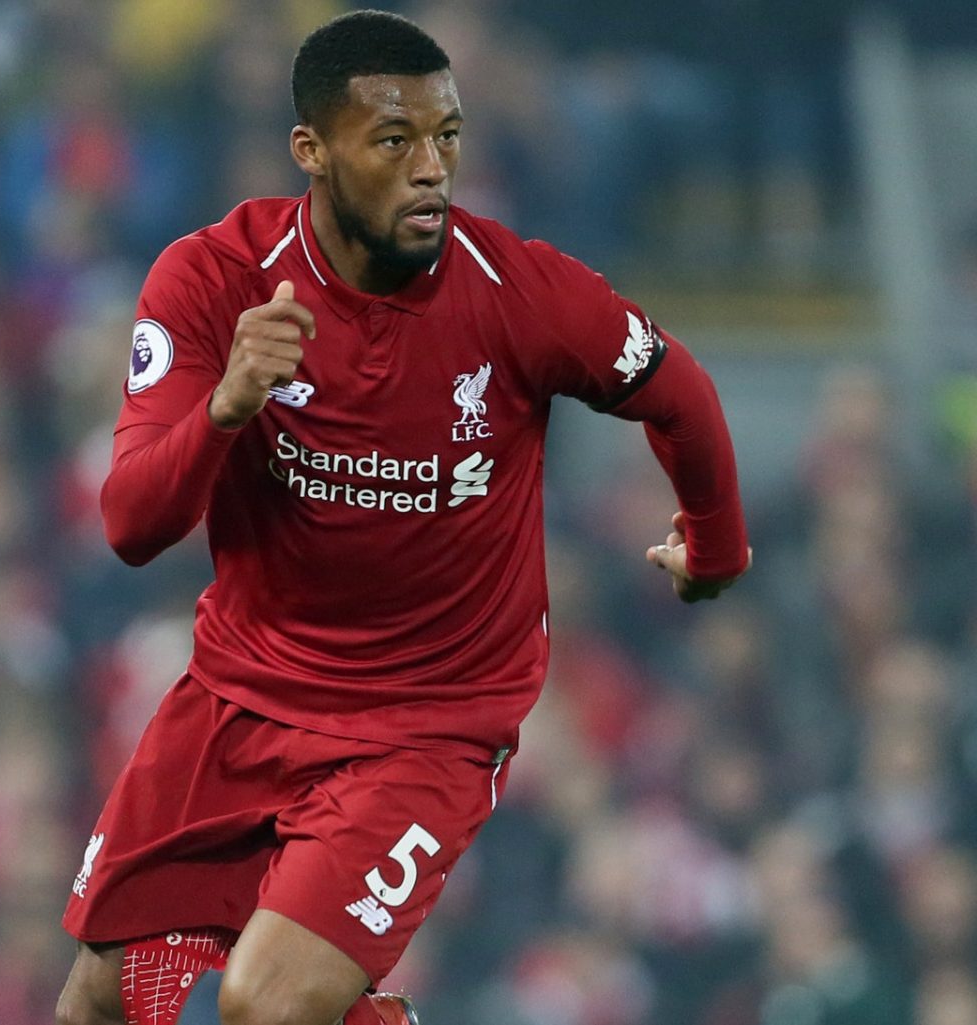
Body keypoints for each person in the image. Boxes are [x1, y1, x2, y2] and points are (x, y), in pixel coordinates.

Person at [54, 10, 751, 1025]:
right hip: (242, 691)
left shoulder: (519, 290)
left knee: (262, 1004)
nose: (432, 169)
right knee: (98, 1002)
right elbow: (130, 525)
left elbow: (679, 391)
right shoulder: (214, 279)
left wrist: (716, 548)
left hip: (427, 724)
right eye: (394, 141)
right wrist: (225, 409)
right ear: (312, 150)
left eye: (446, 136)